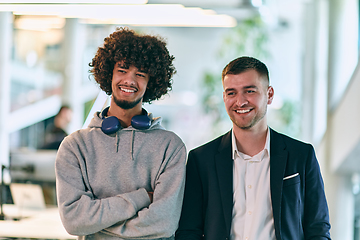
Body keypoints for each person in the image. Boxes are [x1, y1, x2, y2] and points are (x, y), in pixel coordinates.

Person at [175, 56, 331, 240]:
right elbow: (188, 231)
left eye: (249, 91)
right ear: (224, 97)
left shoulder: (301, 155)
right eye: (231, 93)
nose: (240, 102)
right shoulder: (200, 160)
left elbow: (318, 228)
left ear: (269, 94)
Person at [55, 27, 186, 240]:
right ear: (109, 73)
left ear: (151, 82)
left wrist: (96, 225)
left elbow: (164, 223)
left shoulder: (170, 147)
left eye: (140, 74)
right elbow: (74, 220)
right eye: (122, 70)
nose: (129, 81)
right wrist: (141, 198)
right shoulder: (75, 146)